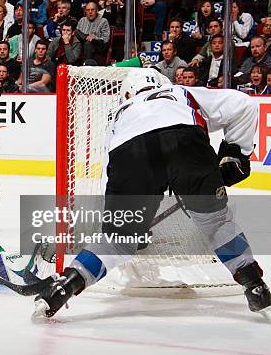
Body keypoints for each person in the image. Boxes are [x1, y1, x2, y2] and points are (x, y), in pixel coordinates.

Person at [33, 68, 271, 318]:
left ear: (127, 94)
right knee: (215, 222)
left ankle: (65, 285)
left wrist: (128, 224)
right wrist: (236, 152)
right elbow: (243, 104)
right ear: (161, 84)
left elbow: (109, 173)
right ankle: (255, 286)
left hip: (129, 154)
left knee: (116, 241)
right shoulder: (179, 92)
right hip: (186, 142)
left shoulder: (117, 116)